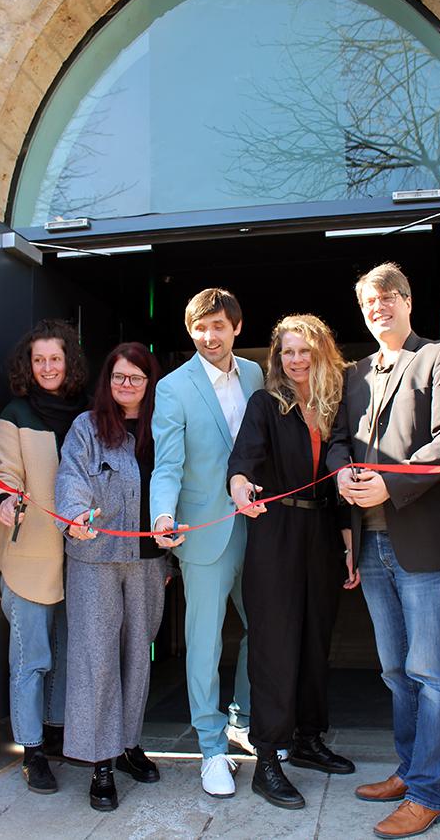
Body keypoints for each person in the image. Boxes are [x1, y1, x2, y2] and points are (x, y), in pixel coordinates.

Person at [327, 262, 440, 840]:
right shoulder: (354, 372)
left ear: (408, 301)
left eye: (388, 296)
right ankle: (409, 769)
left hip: (426, 543)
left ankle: (427, 793)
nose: (378, 306)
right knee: (394, 671)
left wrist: (392, 480)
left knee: (433, 673)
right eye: (369, 300)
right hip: (371, 544)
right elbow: (339, 439)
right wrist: (341, 474)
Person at [227, 314, 358, 810]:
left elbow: (342, 468)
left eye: (304, 350)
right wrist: (239, 487)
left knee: (314, 641)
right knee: (275, 646)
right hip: (276, 531)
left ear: (321, 351)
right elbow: (242, 461)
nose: (296, 360)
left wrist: (348, 542)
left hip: (322, 532)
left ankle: (307, 740)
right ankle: (267, 760)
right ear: (277, 358)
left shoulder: (333, 403)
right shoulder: (266, 403)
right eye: (287, 352)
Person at [150, 288, 264, 799]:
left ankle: (242, 716)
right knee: (205, 642)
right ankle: (211, 749)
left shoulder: (257, 375)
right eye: (200, 327)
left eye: (218, 326)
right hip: (202, 530)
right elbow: (167, 463)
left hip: (258, 525)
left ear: (236, 327)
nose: (209, 336)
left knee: (264, 629)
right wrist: (163, 513)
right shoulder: (173, 388)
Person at [54, 343, 167, 812]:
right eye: (119, 377)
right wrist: (77, 515)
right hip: (94, 559)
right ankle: (100, 761)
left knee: (137, 657)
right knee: (95, 661)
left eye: (136, 378)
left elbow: (175, 482)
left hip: (147, 560)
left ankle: (128, 743)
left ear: (149, 382)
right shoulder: (86, 427)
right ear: (108, 379)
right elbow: (70, 478)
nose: (127, 385)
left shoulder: (163, 426)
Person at [0, 318, 88, 794]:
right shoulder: (15, 414)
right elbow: (5, 476)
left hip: (84, 560)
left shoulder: (88, 414)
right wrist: (5, 500)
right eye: (39, 359)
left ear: (69, 362)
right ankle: (32, 752)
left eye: (55, 358)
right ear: (28, 366)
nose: (47, 367)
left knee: (69, 656)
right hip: (30, 557)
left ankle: (55, 733)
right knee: (33, 659)